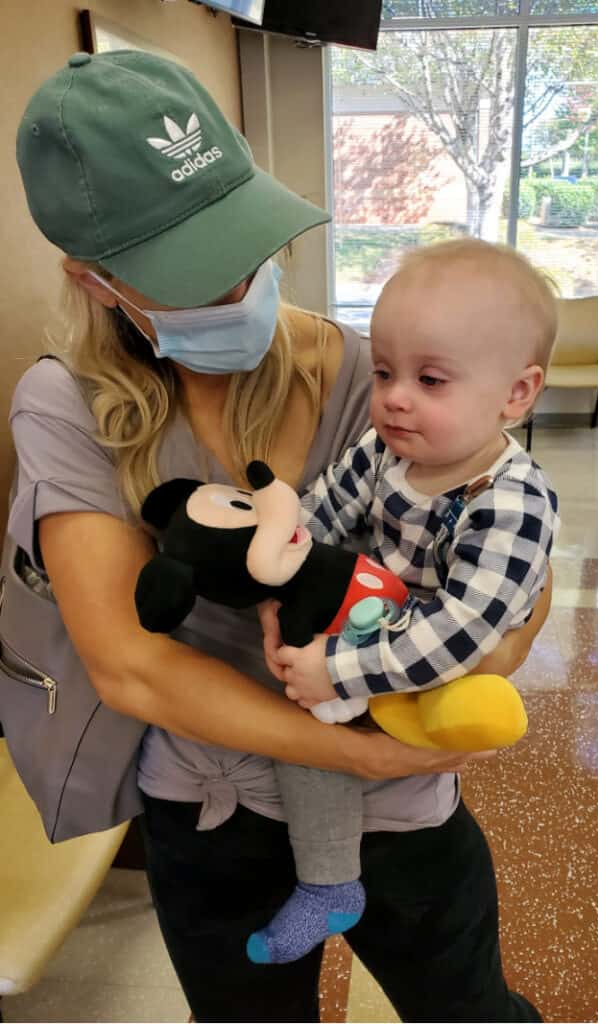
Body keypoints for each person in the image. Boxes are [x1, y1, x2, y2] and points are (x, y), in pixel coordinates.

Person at [7, 50, 551, 1022]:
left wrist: (457, 679)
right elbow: (132, 666)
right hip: (222, 805)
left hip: (401, 798)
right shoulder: (68, 407)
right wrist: (346, 749)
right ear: (93, 280)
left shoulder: (371, 376)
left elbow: (513, 552)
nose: (239, 287)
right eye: (193, 275)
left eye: (244, 247)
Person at [248, 238, 560, 966]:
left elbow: (462, 632)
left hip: (447, 656)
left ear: (516, 393)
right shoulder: (387, 449)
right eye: (385, 371)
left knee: (431, 715)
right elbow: (320, 515)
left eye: (431, 379)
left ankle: (380, 844)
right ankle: (330, 884)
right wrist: (274, 572)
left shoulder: (511, 500)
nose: (393, 396)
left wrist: (341, 670)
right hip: (380, 618)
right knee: (309, 738)